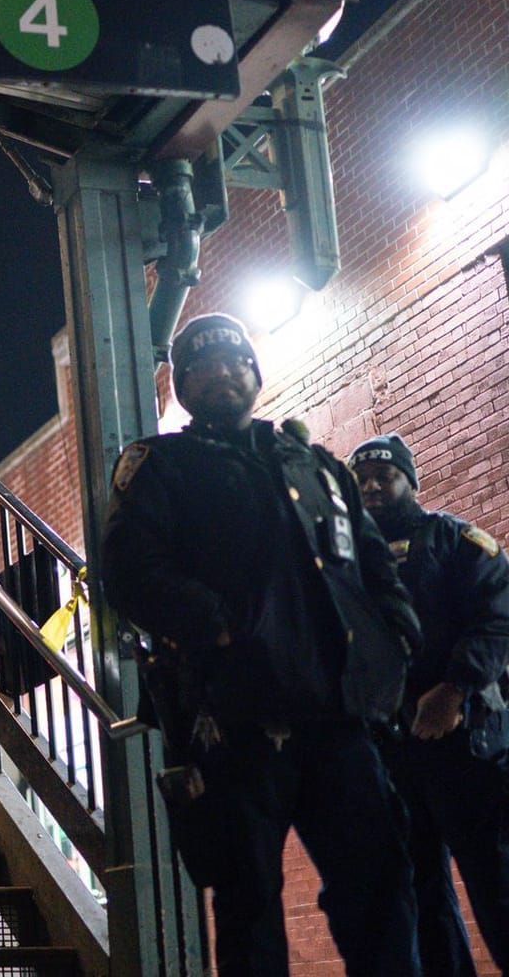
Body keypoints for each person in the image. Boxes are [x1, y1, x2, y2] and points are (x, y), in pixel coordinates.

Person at [99, 312, 423, 976]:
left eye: (232, 363)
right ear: (183, 388)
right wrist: (217, 625)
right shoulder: (162, 465)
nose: (220, 376)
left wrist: (396, 635)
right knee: (250, 908)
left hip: (341, 722)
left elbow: (373, 564)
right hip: (236, 724)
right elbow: (130, 572)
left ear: (254, 374)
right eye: (200, 368)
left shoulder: (317, 466)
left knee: (382, 892)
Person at [349, 434, 509, 977]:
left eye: (384, 476)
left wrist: (454, 689)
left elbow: (506, 617)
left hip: (468, 744)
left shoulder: (455, 541)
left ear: (410, 480)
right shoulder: (348, 570)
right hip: (393, 755)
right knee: (424, 904)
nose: (371, 487)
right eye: (361, 479)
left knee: (503, 895)